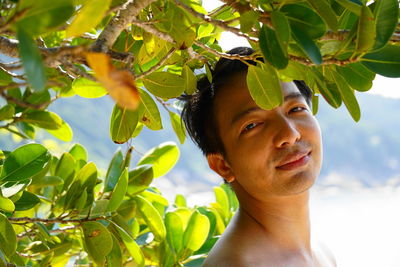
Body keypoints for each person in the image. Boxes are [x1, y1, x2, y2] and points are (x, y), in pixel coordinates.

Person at [181, 47, 336, 266]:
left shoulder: (319, 253)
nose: (290, 134)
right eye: (252, 125)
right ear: (222, 165)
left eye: (296, 109)